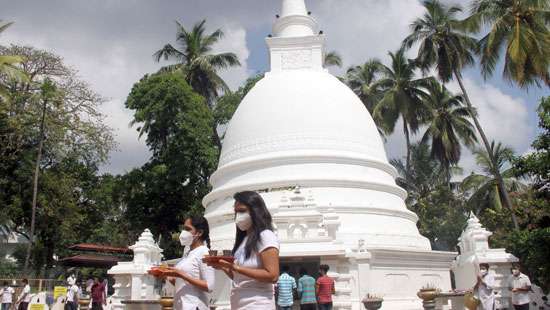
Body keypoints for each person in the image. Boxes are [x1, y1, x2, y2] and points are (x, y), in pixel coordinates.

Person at [207, 191, 280, 309]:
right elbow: (239, 277)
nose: (238, 216)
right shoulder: (243, 241)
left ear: (256, 211)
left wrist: (235, 267)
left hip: (258, 303)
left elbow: (272, 275)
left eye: (242, 211)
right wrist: (222, 266)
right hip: (239, 303)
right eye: (236, 212)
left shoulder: (266, 236)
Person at [156, 216, 215, 310]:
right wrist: (165, 275)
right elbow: (183, 283)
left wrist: (181, 274)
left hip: (195, 306)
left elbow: (209, 286)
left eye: (188, 229)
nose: (184, 232)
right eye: (184, 229)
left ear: (199, 232)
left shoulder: (204, 252)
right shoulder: (187, 254)